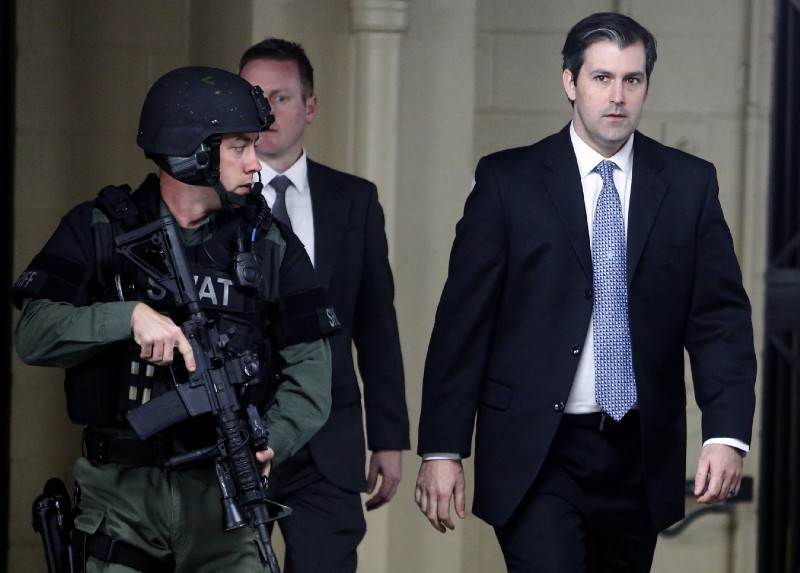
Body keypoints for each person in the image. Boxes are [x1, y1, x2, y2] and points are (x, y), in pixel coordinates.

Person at [414, 12, 757, 572]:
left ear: (646, 85)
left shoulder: (690, 185)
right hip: (538, 451)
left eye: (632, 79)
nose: (617, 95)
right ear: (570, 83)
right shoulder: (509, 182)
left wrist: (726, 434)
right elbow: (463, 322)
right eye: (602, 78)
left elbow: (719, 319)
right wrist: (443, 448)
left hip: (638, 453)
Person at [12, 66, 335, 572]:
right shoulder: (99, 228)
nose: (256, 162)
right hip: (122, 500)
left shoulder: (267, 243)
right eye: (239, 147)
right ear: (192, 152)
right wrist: (127, 318)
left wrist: (271, 441)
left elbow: (313, 373)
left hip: (225, 501)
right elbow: (33, 334)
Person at [238, 39, 410, 573]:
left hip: (328, 439)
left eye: (281, 97)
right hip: (239, 432)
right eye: (252, 97)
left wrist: (388, 437)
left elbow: (377, 326)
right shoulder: (213, 201)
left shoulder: (354, 199)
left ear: (309, 107)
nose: (265, 111)